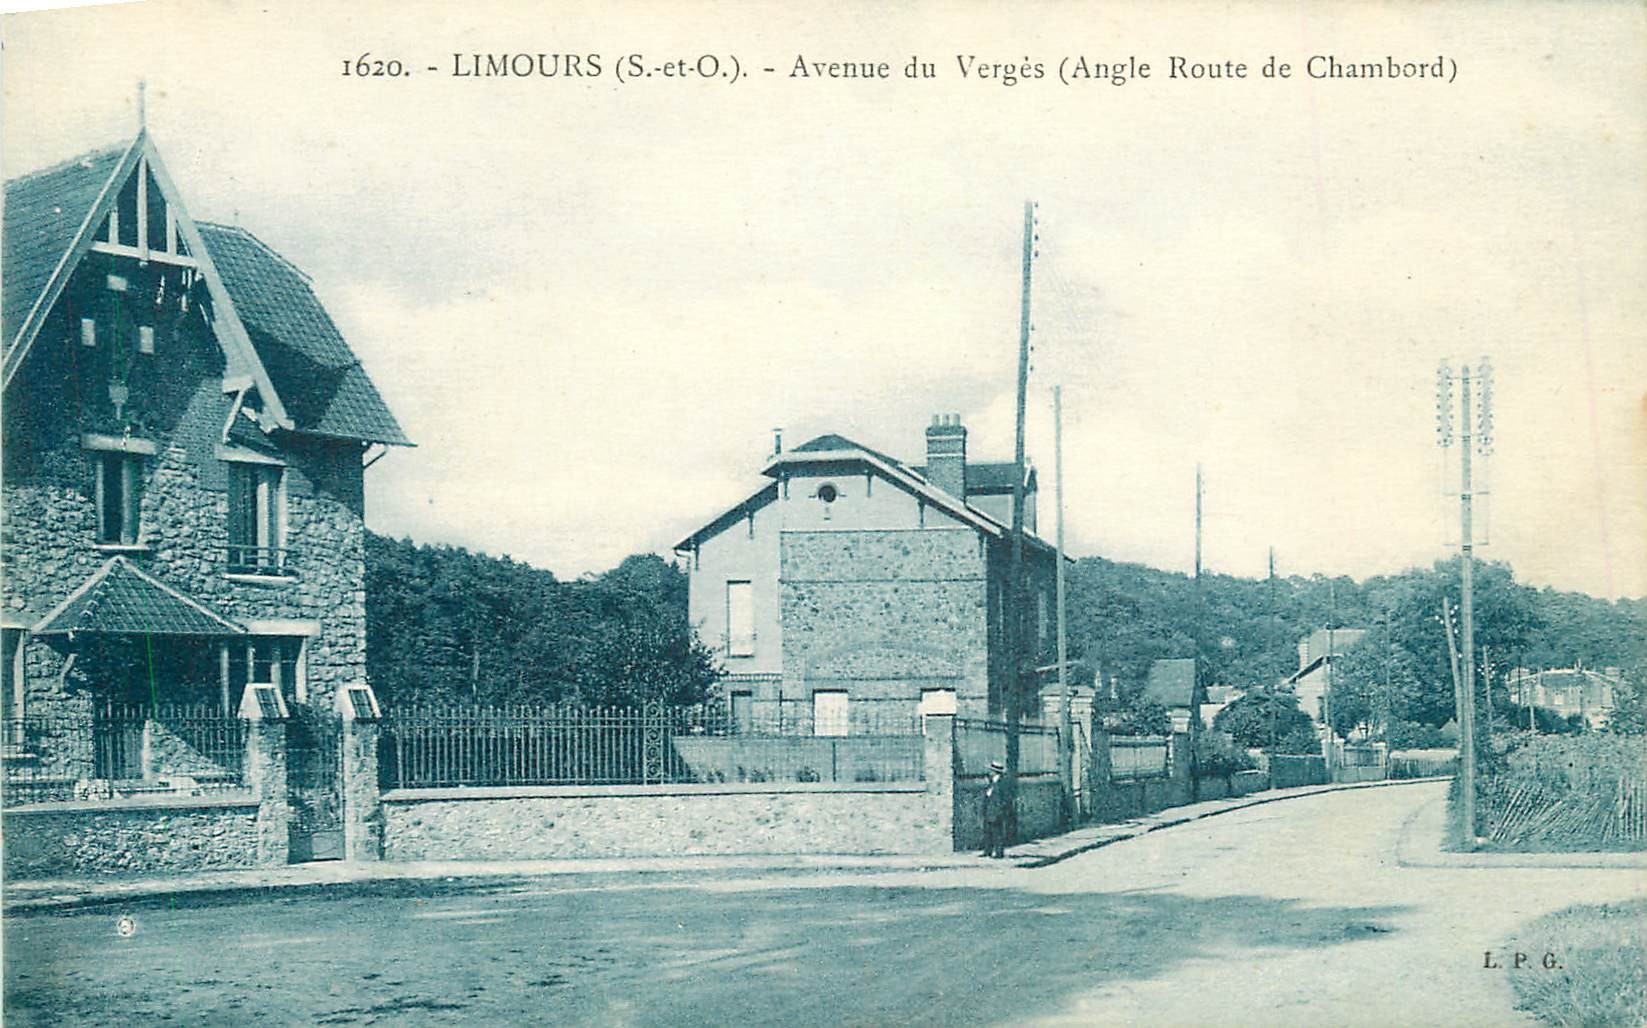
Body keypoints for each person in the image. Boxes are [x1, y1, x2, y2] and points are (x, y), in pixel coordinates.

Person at [981, 760, 1010, 858]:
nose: (990, 772)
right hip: (989, 810)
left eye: (991, 771)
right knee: (987, 831)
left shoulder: (1002, 783)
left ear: (995, 772)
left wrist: (1000, 811)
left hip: (997, 811)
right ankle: (987, 851)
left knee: (997, 832)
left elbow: (1005, 799)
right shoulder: (991, 782)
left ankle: (999, 852)